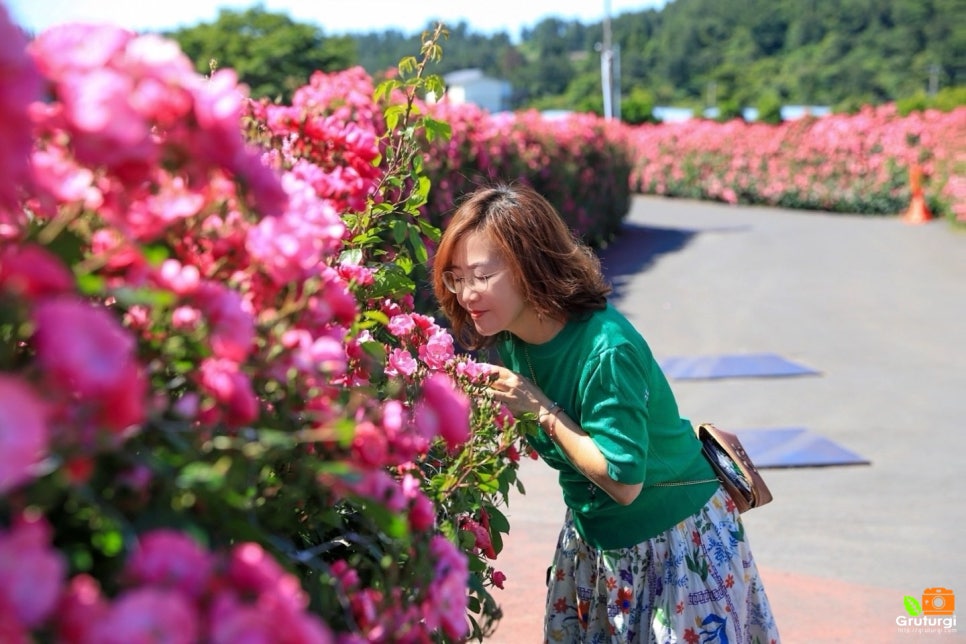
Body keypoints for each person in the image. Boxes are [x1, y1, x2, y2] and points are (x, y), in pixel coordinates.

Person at [432, 183, 780, 643]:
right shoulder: (515, 337)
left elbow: (623, 480)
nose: (465, 293)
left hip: (672, 543)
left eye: (480, 275)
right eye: (456, 277)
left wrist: (540, 409)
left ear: (530, 266)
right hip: (595, 543)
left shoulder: (605, 349)